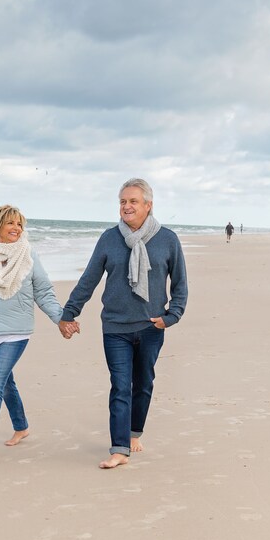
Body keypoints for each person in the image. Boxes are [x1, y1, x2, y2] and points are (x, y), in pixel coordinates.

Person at [59, 179, 188, 469]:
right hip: (115, 327)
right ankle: (119, 449)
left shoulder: (167, 239)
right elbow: (89, 279)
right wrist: (69, 313)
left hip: (151, 327)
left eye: (132, 201)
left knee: (143, 384)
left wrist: (171, 316)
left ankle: (134, 433)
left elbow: (180, 283)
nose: (126, 207)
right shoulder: (109, 239)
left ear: (148, 205)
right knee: (120, 386)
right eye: (122, 202)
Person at [0, 205, 65, 461]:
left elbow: (43, 290)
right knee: (7, 384)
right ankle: (22, 427)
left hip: (16, 332)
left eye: (20, 224)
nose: (16, 229)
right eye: (11, 223)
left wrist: (61, 318)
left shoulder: (28, 254)